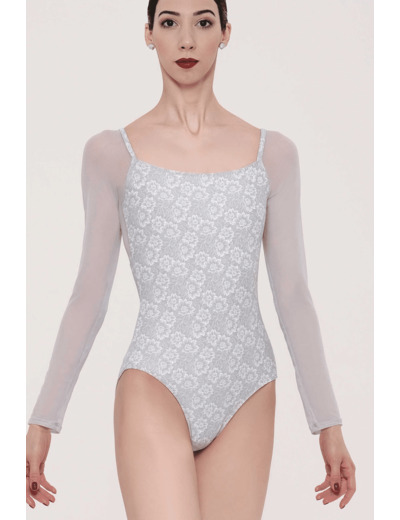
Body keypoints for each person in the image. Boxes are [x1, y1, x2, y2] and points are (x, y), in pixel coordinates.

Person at [26, 0, 357, 517]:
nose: (186, 39)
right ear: (148, 34)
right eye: (169, 22)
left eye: (203, 22)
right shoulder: (111, 155)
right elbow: (88, 296)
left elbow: (293, 295)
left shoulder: (274, 156)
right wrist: (44, 420)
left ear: (225, 32)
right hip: (154, 380)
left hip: (247, 386)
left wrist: (328, 424)